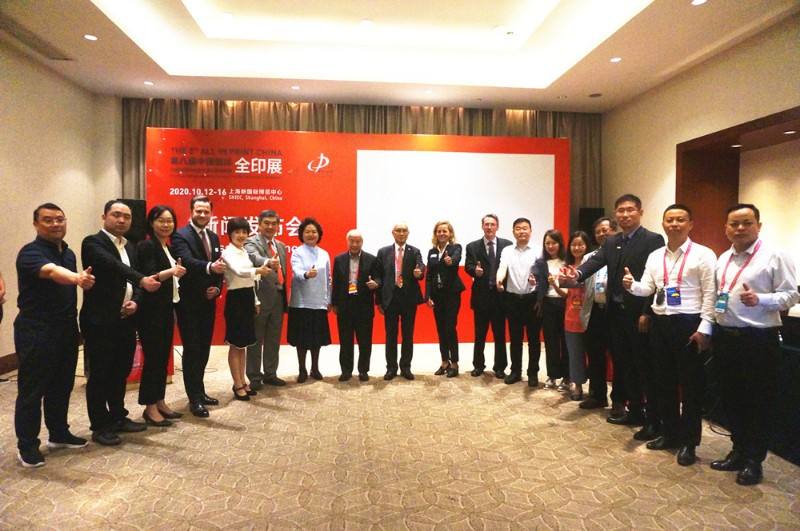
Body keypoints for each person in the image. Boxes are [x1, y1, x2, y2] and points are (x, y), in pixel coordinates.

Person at [561, 194, 665, 441]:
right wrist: (576, 275)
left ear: (640, 212)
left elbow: (657, 280)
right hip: (615, 314)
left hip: (638, 314)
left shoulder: (653, 240)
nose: (625, 214)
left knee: (643, 366)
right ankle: (634, 411)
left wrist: (646, 311)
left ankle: (653, 419)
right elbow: (594, 263)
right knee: (624, 363)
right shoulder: (611, 242)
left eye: (630, 210)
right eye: (621, 210)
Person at [708, 203, 798, 485]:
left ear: (759, 225)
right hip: (726, 338)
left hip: (757, 340)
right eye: (734, 224)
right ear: (726, 228)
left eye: (746, 223)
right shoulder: (723, 258)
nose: (740, 228)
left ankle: (753, 460)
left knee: (757, 402)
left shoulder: (775, 255)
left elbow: (791, 294)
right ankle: (738, 450)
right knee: (731, 398)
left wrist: (762, 300)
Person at [623, 204, 717, 466]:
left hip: (689, 324)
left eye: (680, 220)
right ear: (663, 224)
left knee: (691, 387)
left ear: (690, 224)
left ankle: (689, 442)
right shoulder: (655, 256)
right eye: (670, 220)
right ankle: (670, 433)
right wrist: (632, 286)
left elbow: (710, 294)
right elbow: (648, 288)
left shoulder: (703, 254)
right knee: (663, 382)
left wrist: (705, 328)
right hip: (660, 324)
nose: (674, 224)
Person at [14, 203, 95, 467]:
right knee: (32, 390)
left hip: (66, 329)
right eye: (48, 220)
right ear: (36, 224)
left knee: (61, 385)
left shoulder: (68, 253)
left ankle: (59, 433)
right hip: (36, 329)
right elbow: (50, 271)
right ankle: (27, 445)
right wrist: (76, 279)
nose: (55, 224)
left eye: (60, 219)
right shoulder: (30, 252)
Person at [80, 200, 161, 446]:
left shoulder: (131, 246)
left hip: (126, 319)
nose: (122, 220)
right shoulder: (93, 243)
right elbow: (114, 266)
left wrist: (136, 301)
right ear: (104, 216)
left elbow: (136, 282)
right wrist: (142, 279)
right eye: (116, 215)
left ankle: (118, 416)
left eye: (127, 216)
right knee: (100, 373)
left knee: (120, 371)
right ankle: (99, 425)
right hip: (100, 320)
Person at [171, 196, 225, 418]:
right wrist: (211, 268)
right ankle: (194, 398)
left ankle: (200, 392)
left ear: (211, 213)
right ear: (191, 211)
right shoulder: (180, 235)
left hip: (208, 302)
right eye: (198, 211)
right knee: (192, 349)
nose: (202, 215)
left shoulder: (213, 236)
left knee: (203, 349)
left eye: (206, 211)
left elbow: (220, 266)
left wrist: (217, 288)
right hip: (188, 302)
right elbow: (186, 261)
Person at [136, 205, 187, 427]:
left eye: (170, 221)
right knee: (153, 359)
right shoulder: (147, 245)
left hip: (166, 308)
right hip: (151, 311)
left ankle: (160, 401)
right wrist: (172, 271)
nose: (166, 225)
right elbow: (148, 276)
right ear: (151, 223)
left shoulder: (167, 246)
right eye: (161, 220)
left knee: (162, 358)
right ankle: (149, 407)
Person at [222, 217, 271, 400]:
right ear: (230, 234)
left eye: (244, 232)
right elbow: (239, 272)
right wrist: (258, 270)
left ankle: (243, 381)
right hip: (235, 300)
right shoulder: (228, 252)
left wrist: (256, 301)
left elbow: (250, 280)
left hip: (247, 297)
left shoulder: (243, 251)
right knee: (236, 345)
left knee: (243, 345)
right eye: (237, 232)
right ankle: (237, 384)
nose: (241, 235)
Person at [465, 214, 512, 378]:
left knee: (500, 334)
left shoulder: (507, 245)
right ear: (482, 226)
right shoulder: (472, 246)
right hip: (481, 297)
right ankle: (478, 365)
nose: (489, 227)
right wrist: (474, 271)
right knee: (480, 334)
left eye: (492, 224)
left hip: (500, 296)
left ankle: (500, 367)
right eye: (486, 224)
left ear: (497, 226)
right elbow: (468, 266)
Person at [579, 217, 619, 410]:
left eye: (605, 230)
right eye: (598, 232)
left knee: (618, 356)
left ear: (614, 231)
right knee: (595, 355)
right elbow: (582, 282)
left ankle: (619, 400)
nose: (602, 234)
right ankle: (597, 395)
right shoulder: (589, 257)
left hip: (614, 311)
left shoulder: (621, 253)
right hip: (594, 310)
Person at [376, 223, 425, 381]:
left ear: (408, 233)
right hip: (390, 299)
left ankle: (406, 367)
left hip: (408, 299)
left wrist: (419, 273)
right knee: (391, 335)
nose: (401, 233)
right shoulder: (383, 252)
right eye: (398, 230)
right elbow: (378, 277)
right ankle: (391, 368)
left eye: (404, 231)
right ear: (393, 233)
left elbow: (421, 267)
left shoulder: (415, 251)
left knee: (407, 335)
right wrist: (378, 301)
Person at [245, 209, 288, 389]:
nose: (270, 226)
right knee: (256, 339)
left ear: (278, 226)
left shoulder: (281, 245)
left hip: (278, 296)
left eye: (274, 223)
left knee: (273, 338)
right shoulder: (251, 242)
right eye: (266, 223)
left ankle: (270, 373)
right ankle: (254, 376)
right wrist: (268, 261)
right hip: (260, 297)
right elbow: (253, 257)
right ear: (259, 224)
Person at [331, 230, 380, 382]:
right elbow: (336, 283)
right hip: (344, 306)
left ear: (362, 242)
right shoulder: (339, 259)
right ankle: (346, 371)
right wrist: (334, 303)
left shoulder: (371, 259)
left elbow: (378, 278)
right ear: (347, 242)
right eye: (352, 241)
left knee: (365, 341)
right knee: (345, 341)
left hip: (364, 306)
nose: (354, 244)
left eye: (357, 241)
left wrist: (376, 283)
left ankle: (363, 370)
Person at [496, 217, 541, 386]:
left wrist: (536, 279)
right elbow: (502, 268)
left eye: (525, 228)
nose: (522, 231)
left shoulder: (538, 250)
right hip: (512, 299)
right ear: (513, 232)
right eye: (518, 228)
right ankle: (515, 371)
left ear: (530, 231)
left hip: (532, 299)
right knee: (515, 339)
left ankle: (533, 373)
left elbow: (542, 272)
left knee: (534, 339)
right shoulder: (507, 250)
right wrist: (499, 280)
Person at [288, 217, 332, 383]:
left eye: (314, 232)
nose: (311, 234)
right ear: (302, 234)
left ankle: (315, 368)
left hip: (319, 301)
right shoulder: (297, 252)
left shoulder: (324, 254)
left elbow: (328, 278)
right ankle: (302, 369)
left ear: (319, 234)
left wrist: (329, 299)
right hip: (301, 301)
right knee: (301, 339)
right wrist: (306, 274)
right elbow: (296, 271)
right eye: (307, 231)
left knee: (316, 339)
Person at [555, 231, 593, 401]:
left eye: (580, 244)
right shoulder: (566, 268)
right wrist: (555, 285)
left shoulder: (593, 265)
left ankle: (595, 387)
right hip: (572, 315)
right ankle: (577, 385)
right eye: (574, 245)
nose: (577, 248)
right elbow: (565, 294)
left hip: (592, 315)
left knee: (593, 353)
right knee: (575, 353)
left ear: (587, 246)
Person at [425, 221, 465, 377]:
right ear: (436, 234)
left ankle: (454, 363)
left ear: (450, 234)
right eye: (439, 231)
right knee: (440, 329)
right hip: (437, 295)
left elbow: (456, 259)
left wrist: (451, 261)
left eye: (445, 231)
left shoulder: (455, 248)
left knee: (450, 327)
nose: (442, 233)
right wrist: (427, 296)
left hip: (452, 295)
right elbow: (429, 275)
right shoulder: (432, 251)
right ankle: (444, 361)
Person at [535, 229, 569, 390]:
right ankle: (553, 375)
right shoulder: (541, 263)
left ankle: (567, 377)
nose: (550, 246)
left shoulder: (567, 261)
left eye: (553, 243)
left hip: (566, 304)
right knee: (550, 341)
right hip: (548, 304)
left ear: (560, 244)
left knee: (566, 342)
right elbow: (536, 281)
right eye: (547, 243)